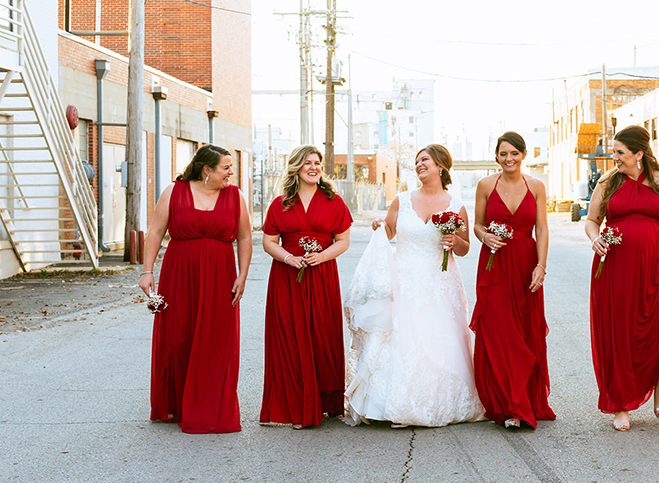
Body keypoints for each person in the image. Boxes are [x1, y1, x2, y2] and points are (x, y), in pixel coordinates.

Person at [343, 144, 484, 427]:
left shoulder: (456, 206)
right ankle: (392, 403)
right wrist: (380, 225)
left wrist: (454, 242)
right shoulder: (402, 199)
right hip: (404, 279)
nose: (419, 164)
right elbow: (390, 230)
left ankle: (436, 401)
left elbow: (466, 247)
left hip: (440, 283)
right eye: (417, 161)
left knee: (438, 340)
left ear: (441, 167)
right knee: (401, 336)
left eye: (425, 160)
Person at [139, 144, 252, 434]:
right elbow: (155, 231)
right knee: (179, 337)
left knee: (217, 340)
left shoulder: (235, 196)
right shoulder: (174, 192)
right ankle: (176, 404)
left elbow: (244, 237)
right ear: (206, 170)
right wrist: (147, 271)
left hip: (220, 275)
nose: (231, 172)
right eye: (226, 167)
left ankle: (210, 408)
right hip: (180, 273)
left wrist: (243, 274)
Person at [585, 125, 659, 431]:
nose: (613, 157)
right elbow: (592, 220)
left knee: (657, 327)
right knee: (620, 332)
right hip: (615, 267)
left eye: (619, 152)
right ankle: (621, 403)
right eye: (613, 152)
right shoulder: (608, 182)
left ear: (638, 153)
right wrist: (594, 239)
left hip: (656, 267)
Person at [259, 145, 352, 429]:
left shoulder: (333, 200)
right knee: (290, 337)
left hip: (322, 277)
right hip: (287, 278)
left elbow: (343, 240)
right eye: (308, 163)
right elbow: (269, 242)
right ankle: (297, 405)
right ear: (296, 167)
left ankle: (325, 401)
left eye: (318, 163)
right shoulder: (280, 203)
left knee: (321, 336)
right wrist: (289, 258)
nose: (314, 167)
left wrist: (320, 256)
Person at [469, 131, 555, 429]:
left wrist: (541, 265)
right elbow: (477, 225)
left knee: (523, 330)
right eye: (504, 154)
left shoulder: (536, 186)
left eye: (514, 153)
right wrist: (486, 236)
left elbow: (542, 229)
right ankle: (507, 403)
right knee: (498, 330)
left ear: (523, 155)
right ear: (496, 156)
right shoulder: (484, 186)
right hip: (494, 265)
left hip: (525, 262)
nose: (509, 159)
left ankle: (522, 402)